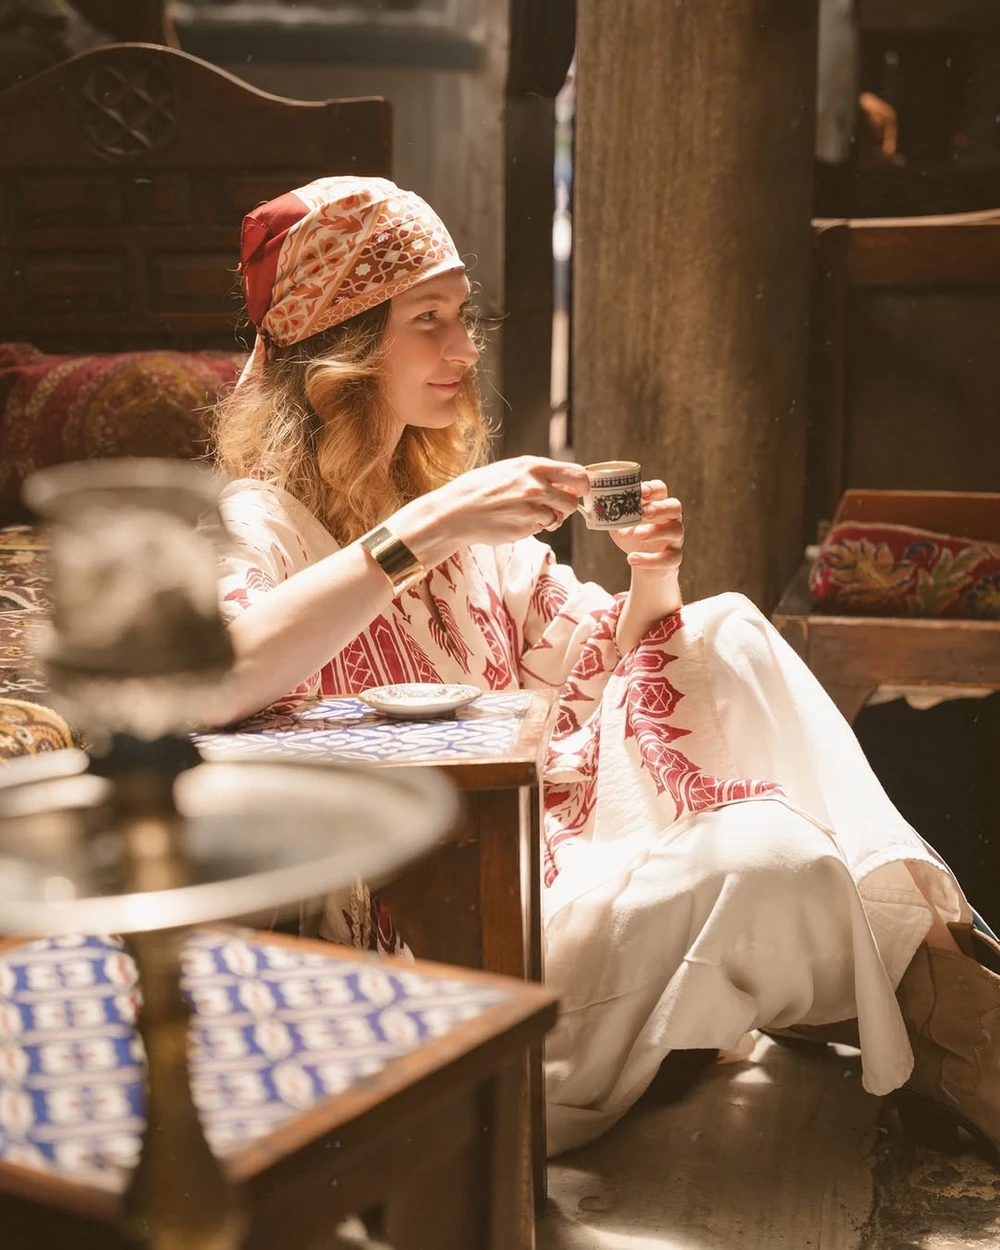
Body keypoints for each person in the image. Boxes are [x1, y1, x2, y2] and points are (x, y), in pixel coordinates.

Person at [209, 175, 1000, 1159]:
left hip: (554, 860)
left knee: (742, 683)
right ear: (343, 347)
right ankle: (953, 1015)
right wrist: (430, 526)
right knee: (779, 864)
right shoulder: (263, 523)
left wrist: (652, 572)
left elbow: (604, 661)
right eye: (428, 321)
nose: (465, 349)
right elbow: (221, 674)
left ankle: (956, 1004)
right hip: (446, 947)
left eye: (464, 316)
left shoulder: (451, 512)